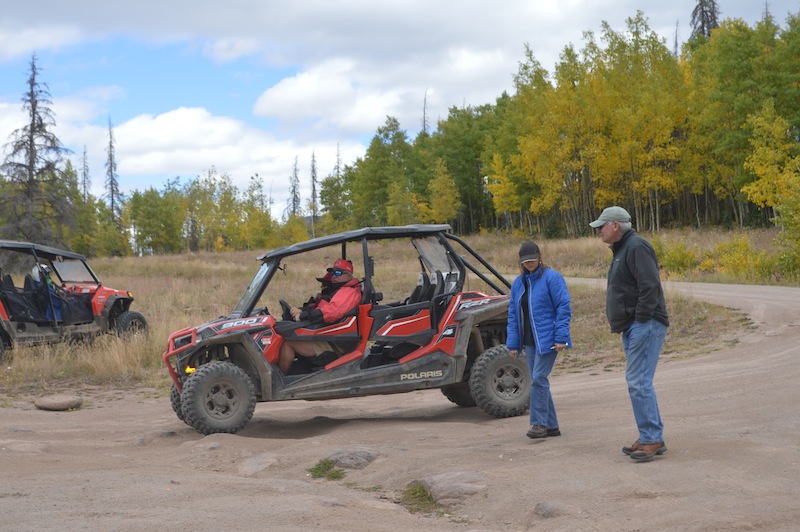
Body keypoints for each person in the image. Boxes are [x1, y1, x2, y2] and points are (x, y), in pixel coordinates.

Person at [590, 206, 670, 462]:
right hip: (634, 326)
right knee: (639, 382)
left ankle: (651, 438)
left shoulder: (636, 247)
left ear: (615, 225)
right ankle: (650, 435)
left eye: (601, 226)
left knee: (638, 382)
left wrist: (641, 320)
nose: (598, 230)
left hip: (644, 325)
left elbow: (650, 286)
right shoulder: (622, 250)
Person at [506, 241, 572, 440]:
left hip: (549, 339)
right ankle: (552, 426)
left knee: (538, 380)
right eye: (525, 261)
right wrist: (513, 343)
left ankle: (538, 424)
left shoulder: (553, 278)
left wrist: (561, 337)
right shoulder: (519, 283)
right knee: (539, 381)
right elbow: (513, 314)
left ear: (540, 257)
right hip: (529, 341)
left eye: (532, 260)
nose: (529, 264)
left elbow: (563, 307)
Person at [278, 259, 362, 374]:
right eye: (332, 273)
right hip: (327, 334)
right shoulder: (339, 291)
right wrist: (302, 312)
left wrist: (303, 316)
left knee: (288, 344)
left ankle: (280, 380)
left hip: (334, 341)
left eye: (337, 273)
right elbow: (320, 308)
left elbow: (332, 312)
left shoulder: (348, 291)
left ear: (348, 275)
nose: (333, 276)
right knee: (285, 335)